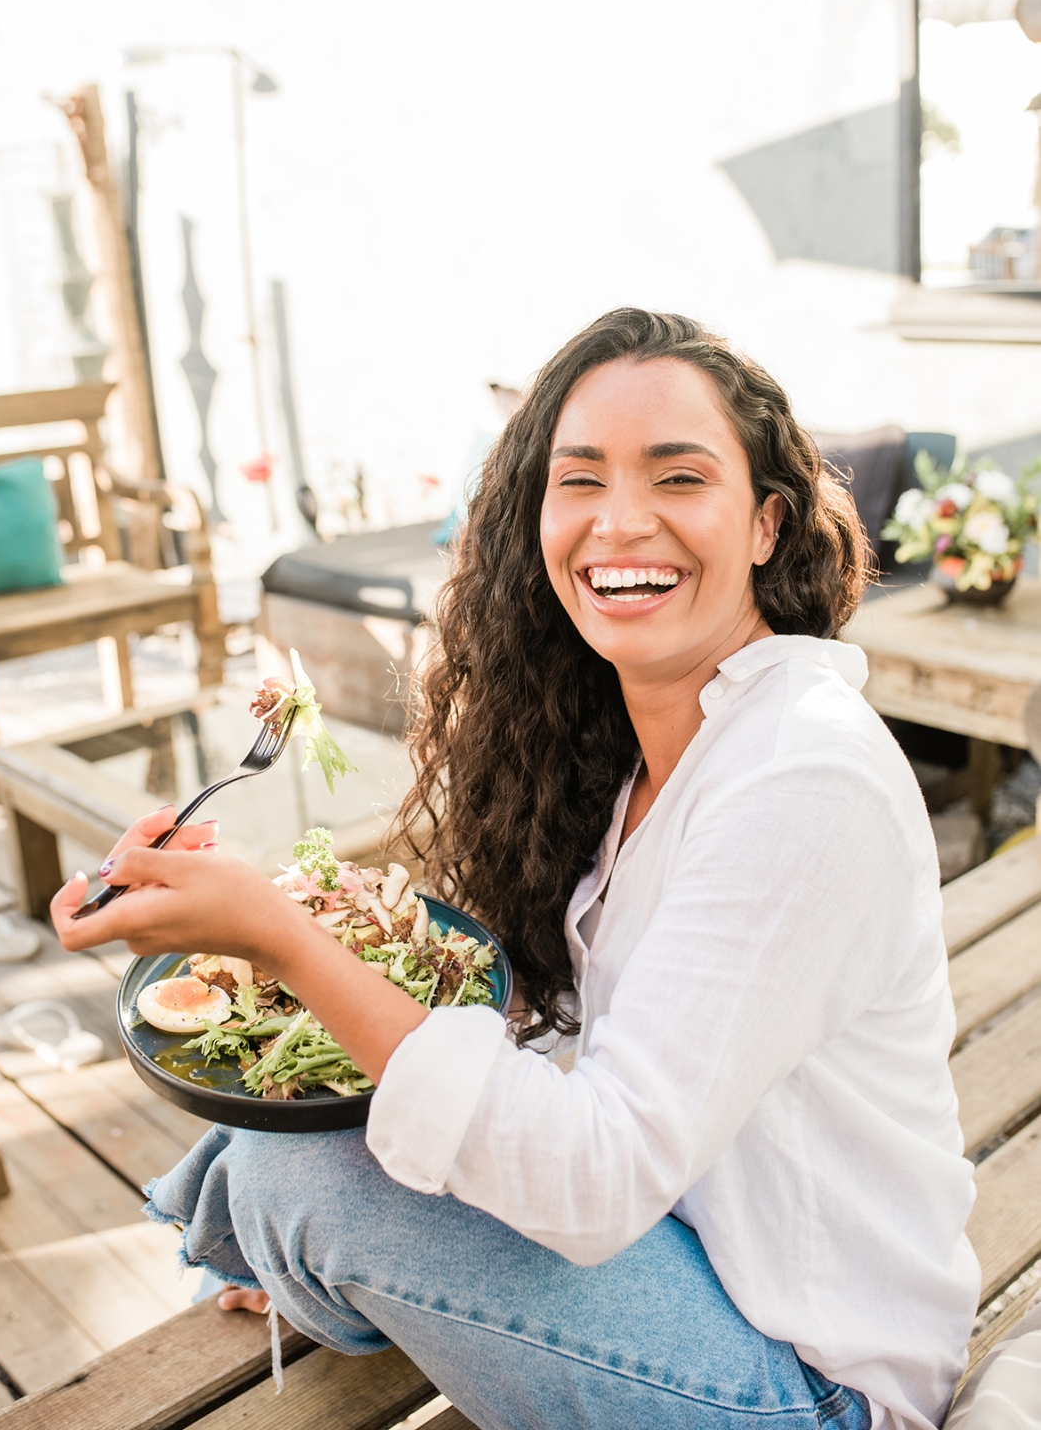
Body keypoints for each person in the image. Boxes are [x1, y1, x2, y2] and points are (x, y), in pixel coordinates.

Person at [52, 310, 978, 1430]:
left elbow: (594, 1179)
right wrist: (272, 914)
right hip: (693, 1262)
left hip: (810, 1385)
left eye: (678, 478)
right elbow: (550, 1050)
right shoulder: (641, 753)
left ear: (768, 525)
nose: (620, 521)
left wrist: (283, 938)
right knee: (299, 1110)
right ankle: (288, 1256)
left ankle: (285, 1259)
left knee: (301, 1171)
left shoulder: (803, 777)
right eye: (578, 479)